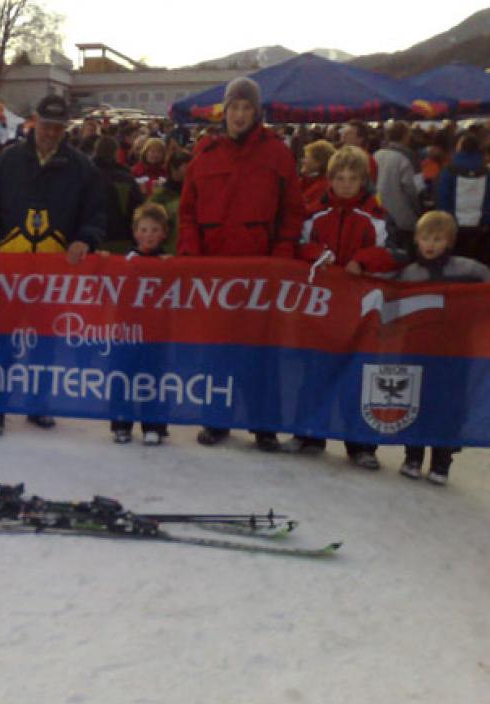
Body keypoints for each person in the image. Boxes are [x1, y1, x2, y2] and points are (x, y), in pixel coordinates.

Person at [0, 94, 106, 442]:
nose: (50, 133)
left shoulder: (82, 167)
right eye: (46, 126)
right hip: (11, 270)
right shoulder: (8, 160)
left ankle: (38, 402)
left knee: (45, 342)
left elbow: (97, 214)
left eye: (58, 128)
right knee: (2, 342)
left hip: (54, 272)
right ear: (34, 122)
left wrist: (85, 238)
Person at [177, 76, 304, 452]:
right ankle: (216, 419)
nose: (240, 115)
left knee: (261, 349)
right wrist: (191, 258)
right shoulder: (205, 153)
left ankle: (264, 423)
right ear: (225, 110)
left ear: (257, 113)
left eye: (247, 108)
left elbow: (292, 212)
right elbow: (187, 213)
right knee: (218, 349)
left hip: (259, 269)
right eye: (234, 107)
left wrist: (280, 258)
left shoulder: (277, 154)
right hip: (215, 270)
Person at [290, 145, 398, 468]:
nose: (346, 184)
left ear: (363, 180)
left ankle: (361, 444)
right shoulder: (313, 213)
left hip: (359, 313)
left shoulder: (376, 216)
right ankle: (309, 431)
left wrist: (362, 262)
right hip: (321, 310)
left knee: (357, 374)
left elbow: (394, 253)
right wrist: (317, 254)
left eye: (353, 178)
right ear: (329, 179)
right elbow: (297, 246)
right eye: (340, 178)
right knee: (314, 371)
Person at [398, 211, 490, 484]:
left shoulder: (468, 269)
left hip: (454, 352)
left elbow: (486, 281)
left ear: (449, 242)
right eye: (426, 238)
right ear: (416, 239)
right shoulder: (409, 273)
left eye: (438, 239)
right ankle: (413, 456)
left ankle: (442, 461)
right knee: (417, 402)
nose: (431, 244)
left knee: (449, 406)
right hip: (417, 350)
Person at [111, 203, 171, 445]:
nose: (149, 235)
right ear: (135, 232)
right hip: (127, 331)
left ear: (163, 233)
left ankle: (154, 424)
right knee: (124, 375)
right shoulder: (125, 261)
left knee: (154, 377)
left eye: (154, 230)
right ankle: (121, 422)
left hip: (157, 333)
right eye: (144, 230)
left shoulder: (168, 263)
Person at [435, 132, 490, 263]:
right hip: (480, 227)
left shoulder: (448, 171)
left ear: (459, 148)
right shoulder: (487, 172)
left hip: (454, 226)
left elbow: (442, 198)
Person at [93, 135, 145, 254]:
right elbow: (138, 210)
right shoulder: (126, 179)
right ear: (116, 153)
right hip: (122, 239)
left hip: (91, 241)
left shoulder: (85, 176)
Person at [374, 121, 422, 247]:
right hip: (403, 217)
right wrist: (419, 211)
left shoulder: (376, 155)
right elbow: (414, 189)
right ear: (406, 136)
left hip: (380, 213)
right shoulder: (409, 157)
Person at [146, 149, 190, 255]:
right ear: (174, 169)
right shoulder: (159, 198)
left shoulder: (193, 193)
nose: (191, 170)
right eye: (187, 167)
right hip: (167, 253)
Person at [300, 139, 336, 211]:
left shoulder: (323, 186)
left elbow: (306, 210)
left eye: (307, 157)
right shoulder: (307, 180)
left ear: (318, 162)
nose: (302, 161)